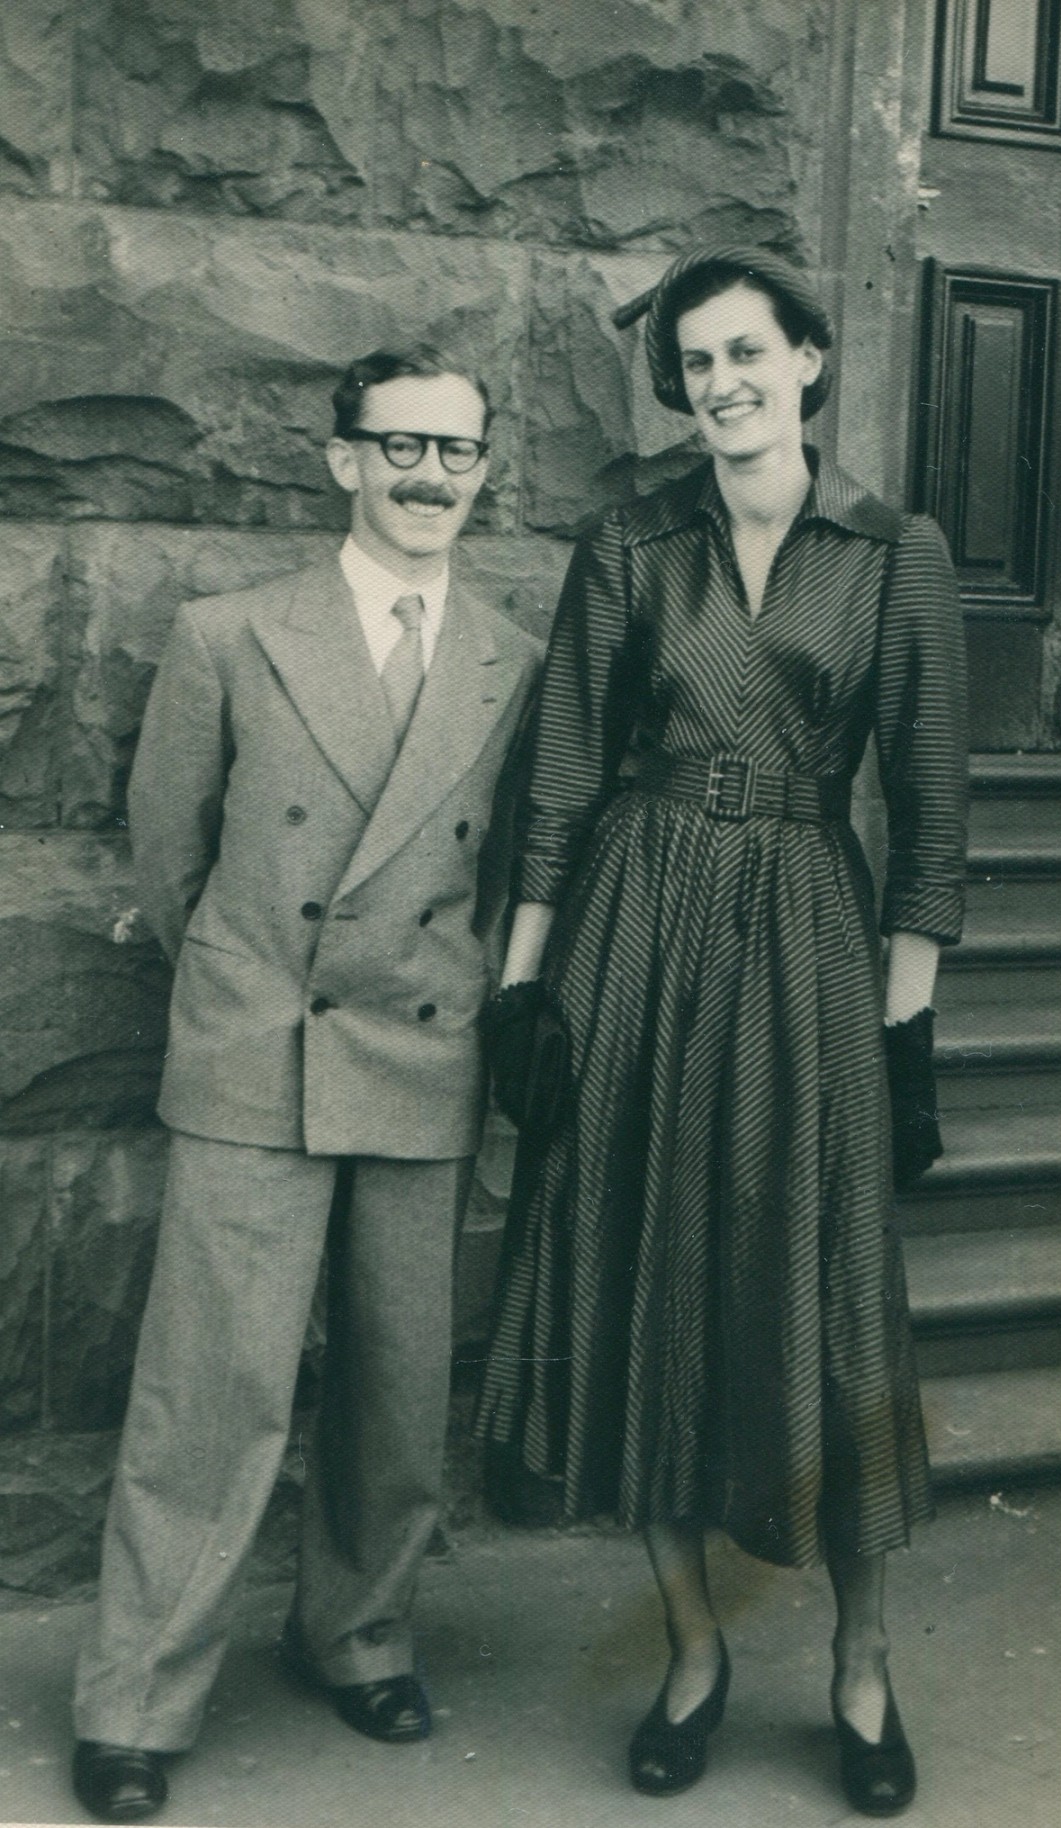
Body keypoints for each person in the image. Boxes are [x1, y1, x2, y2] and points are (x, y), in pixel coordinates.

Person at [477, 246, 967, 1814]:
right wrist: (522, 989)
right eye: (696, 363)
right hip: (635, 928)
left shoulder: (894, 551)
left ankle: (863, 1665)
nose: (722, 384)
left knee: (826, 1293)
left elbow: (932, 815)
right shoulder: (633, 539)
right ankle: (694, 1651)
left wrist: (906, 1032)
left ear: (809, 360)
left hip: (808, 933)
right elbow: (565, 771)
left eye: (748, 352)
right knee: (638, 1267)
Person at [71, 346, 541, 1823]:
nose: (427, 476)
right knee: (210, 1396)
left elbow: (506, 869)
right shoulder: (229, 634)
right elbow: (173, 854)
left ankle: (359, 1633)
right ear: (343, 460)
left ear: (483, 472)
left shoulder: (514, 659)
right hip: (258, 1048)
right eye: (399, 446)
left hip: (421, 1046)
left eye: (455, 452)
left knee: (399, 1390)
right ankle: (137, 1697)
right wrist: (248, 992)